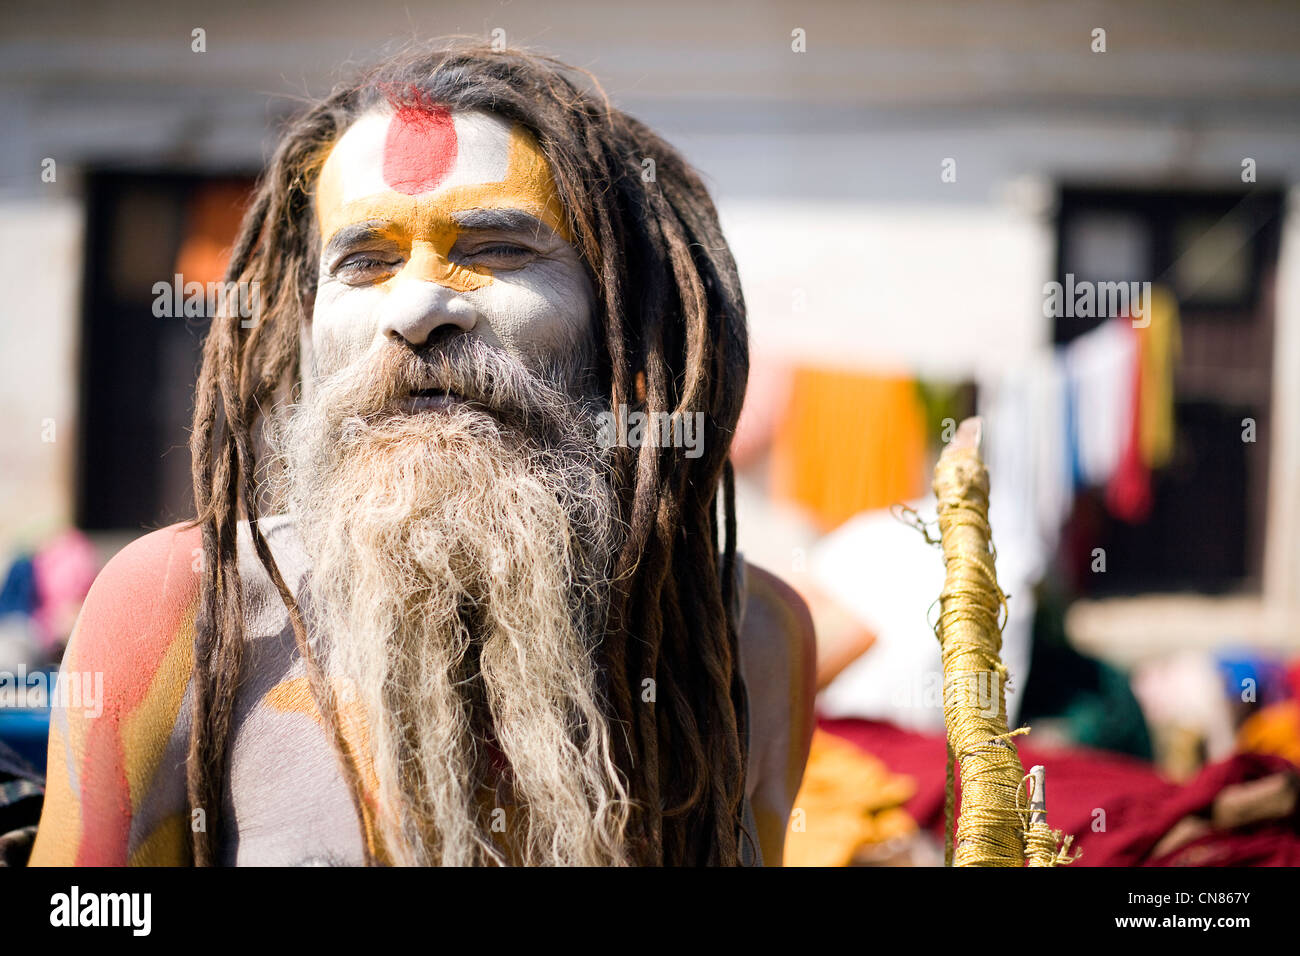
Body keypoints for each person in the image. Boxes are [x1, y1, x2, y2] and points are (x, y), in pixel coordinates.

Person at [29, 41, 815, 867]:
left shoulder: (746, 638)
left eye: (498, 250)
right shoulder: (183, 611)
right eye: (365, 262)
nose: (416, 308)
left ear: (626, 316)